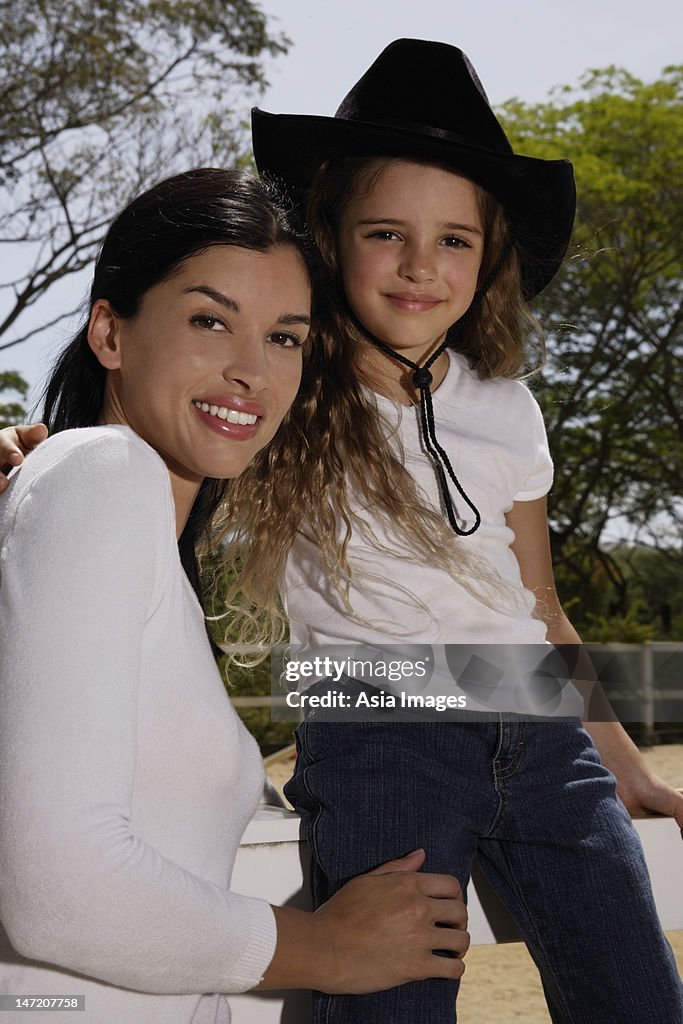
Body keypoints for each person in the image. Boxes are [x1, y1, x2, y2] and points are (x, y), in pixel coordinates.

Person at [247, 39, 683, 1023]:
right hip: (375, 729)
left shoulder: (507, 407)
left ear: (486, 257)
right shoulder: (284, 380)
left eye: (454, 239)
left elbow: (539, 604)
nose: (419, 266)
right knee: (385, 1001)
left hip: (542, 738)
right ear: (327, 234)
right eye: (384, 232)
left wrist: (624, 763)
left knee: (637, 994)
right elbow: (158, 412)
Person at [0, 167, 470, 1024]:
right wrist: (325, 947)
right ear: (110, 331)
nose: (252, 371)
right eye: (210, 320)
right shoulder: (102, 473)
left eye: (285, 337)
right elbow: (56, 886)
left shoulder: (131, 535)